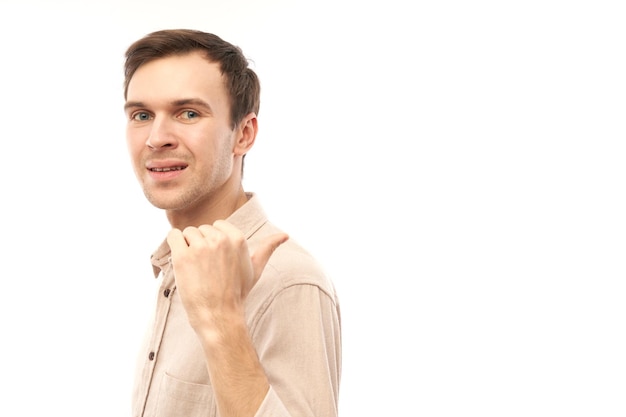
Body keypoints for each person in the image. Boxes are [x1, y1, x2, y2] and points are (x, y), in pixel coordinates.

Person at [122, 29, 342, 417]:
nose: (156, 138)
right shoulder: (179, 263)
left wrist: (222, 324)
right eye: (141, 115)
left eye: (188, 113)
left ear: (244, 134)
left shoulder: (287, 280)